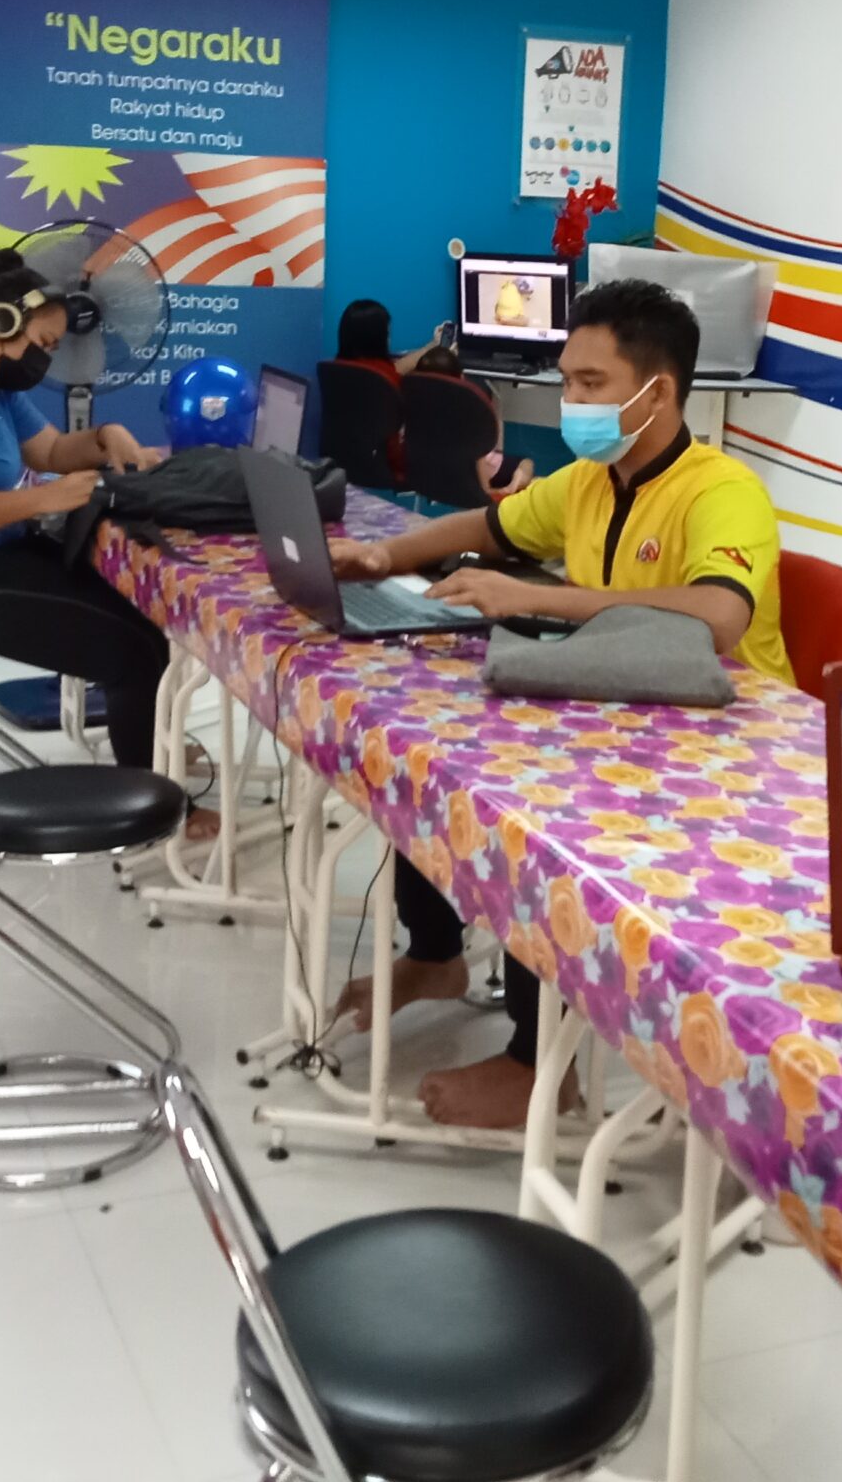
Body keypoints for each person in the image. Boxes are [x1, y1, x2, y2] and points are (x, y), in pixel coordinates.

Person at [328, 278, 793, 1127]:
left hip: (723, 746)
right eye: (568, 379)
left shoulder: (723, 492)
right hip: (620, 711)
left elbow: (721, 616)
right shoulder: (589, 479)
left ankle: (540, 1064)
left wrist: (539, 599)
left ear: (659, 392)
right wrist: (385, 556)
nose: (570, 399)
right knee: (428, 762)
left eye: (591, 383)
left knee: (534, 827)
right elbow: (487, 529)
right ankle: (434, 955)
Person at [0, 250, 211, 832]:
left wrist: (105, 437)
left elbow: (50, 451)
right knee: (131, 651)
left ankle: (154, 753)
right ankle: (155, 811)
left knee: (141, 612)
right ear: (0, 324)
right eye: (45, 345)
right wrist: (41, 500)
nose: (47, 360)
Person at [334, 298, 437, 479]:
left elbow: (396, 368)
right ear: (377, 338)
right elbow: (393, 372)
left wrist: (431, 346)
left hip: (350, 459)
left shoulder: (339, 367)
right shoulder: (383, 378)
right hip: (392, 463)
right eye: (387, 333)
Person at [412, 344, 534, 496]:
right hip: (472, 476)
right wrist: (485, 491)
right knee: (526, 463)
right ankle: (512, 487)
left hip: (428, 473)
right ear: (461, 377)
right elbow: (479, 455)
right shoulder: (471, 410)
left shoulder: (414, 404)